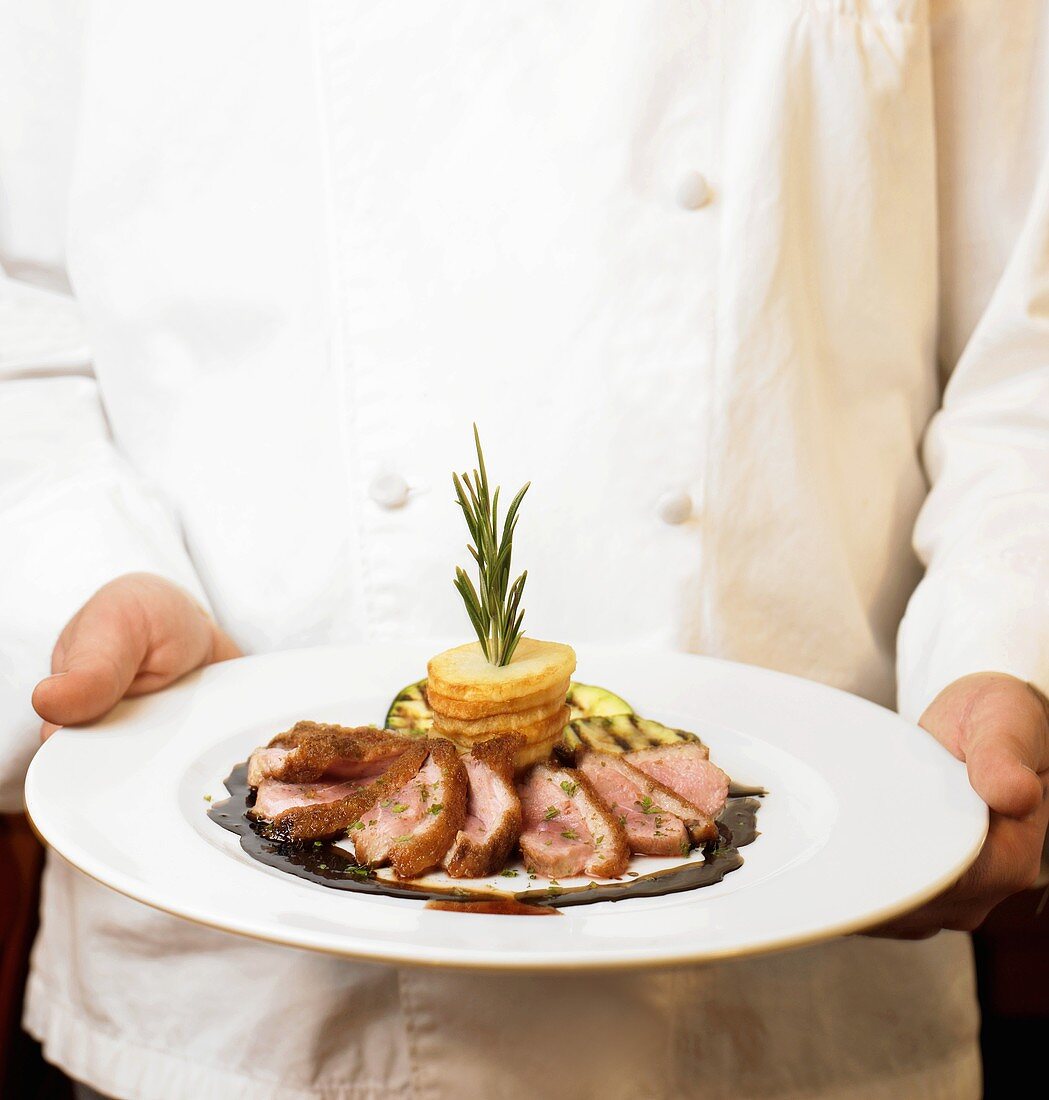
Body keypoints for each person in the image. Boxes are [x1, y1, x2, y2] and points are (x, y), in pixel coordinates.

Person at [2, 1, 1047, 1097]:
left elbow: (1021, 346)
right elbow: (15, 313)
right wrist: (84, 570)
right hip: (248, 993)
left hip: (800, 953)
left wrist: (998, 635)